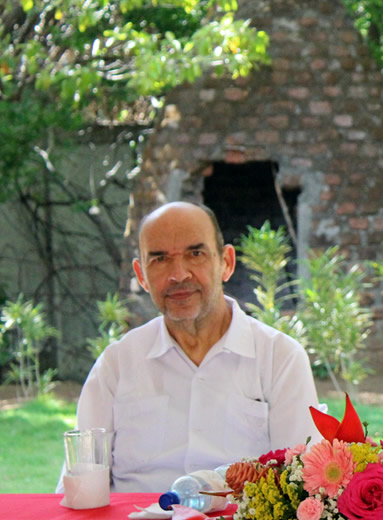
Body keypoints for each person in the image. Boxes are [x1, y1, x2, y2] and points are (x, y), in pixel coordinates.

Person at [66, 202, 320, 492]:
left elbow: (300, 486)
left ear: (226, 263)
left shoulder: (279, 359)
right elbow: (82, 486)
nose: (178, 274)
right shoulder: (116, 365)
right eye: (160, 259)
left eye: (195, 253)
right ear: (141, 276)